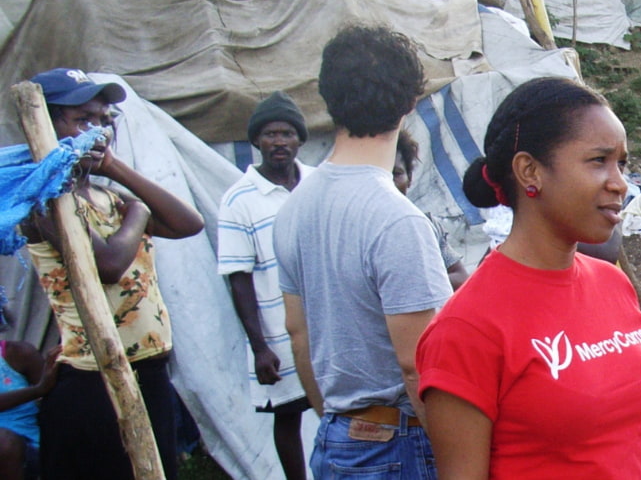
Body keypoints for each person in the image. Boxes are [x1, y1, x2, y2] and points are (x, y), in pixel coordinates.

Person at [416, 77, 641, 477]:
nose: (621, 183)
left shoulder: (613, 283)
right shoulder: (466, 330)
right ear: (530, 171)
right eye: (598, 160)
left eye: (622, 162)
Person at [273, 26, 452, 478]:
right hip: (401, 444)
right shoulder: (399, 220)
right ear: (412, 102)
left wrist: (336, 423)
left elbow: (299, 333)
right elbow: (419, 367)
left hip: (337, 439)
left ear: (327, 97)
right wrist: (457, 460)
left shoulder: (293, 208)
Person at [22, 67, 205, 479]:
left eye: (105, 121)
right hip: (94, 381)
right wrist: (138, 213)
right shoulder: (46, 201)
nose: (99, 131)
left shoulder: (107, 195)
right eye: (82, 119)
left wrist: (117, 170)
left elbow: (188, 224)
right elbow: (106, 265)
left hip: (149, 371)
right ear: (47, 125)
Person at [216, 90, 312, 480]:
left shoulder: (318, 183)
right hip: (278, 330)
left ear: (299, 140)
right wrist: (260, 347)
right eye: (270, 134)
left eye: (287, 133)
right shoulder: (238, 200)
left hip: (329, 322)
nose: (279, 142)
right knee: (287, 414)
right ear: (256, 140)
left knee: (343, 409)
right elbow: (238, 280)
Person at [394, 130, 470, 290]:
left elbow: (460, 277)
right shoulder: (363, 228)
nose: (388, 181)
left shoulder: (426, 224)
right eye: (382, 173)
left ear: (409, 179)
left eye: (397, 174)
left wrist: (417, 283)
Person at [0, 336, 57, 480]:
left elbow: (55, 399)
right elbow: (43, 388)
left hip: (23, 451)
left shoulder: (19, 353)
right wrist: (37, 390)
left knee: (4, 441)